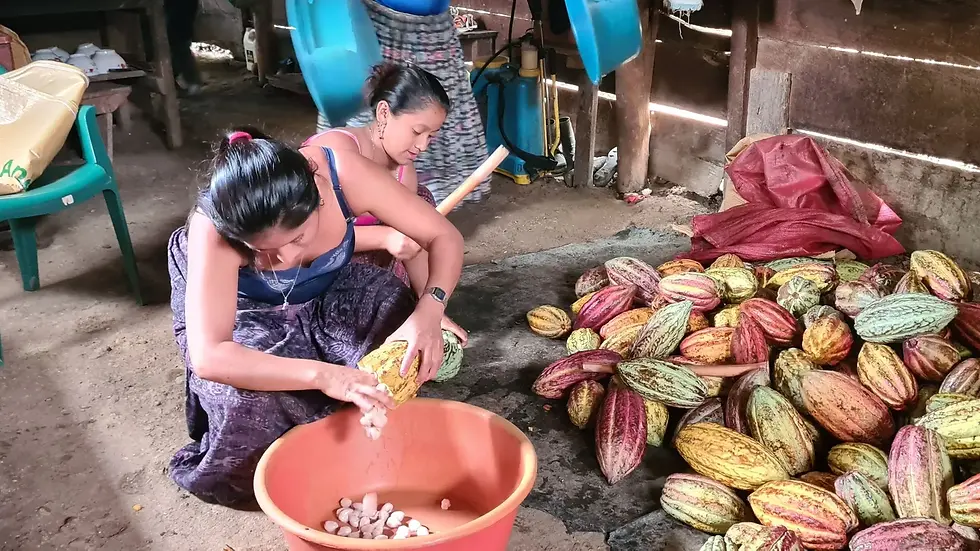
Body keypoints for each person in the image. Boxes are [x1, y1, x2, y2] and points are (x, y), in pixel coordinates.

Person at [166, 126, 464, 505]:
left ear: (318, 199)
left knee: (396, 316)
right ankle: (281, 472)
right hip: (246, 309)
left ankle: (359, 438)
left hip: (321, 288)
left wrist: (431, 308)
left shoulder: (344, 177)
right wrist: (325, 375)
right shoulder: (213, 229)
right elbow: (211, 356)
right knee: (246, 397)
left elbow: (444, 237)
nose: (284, 260)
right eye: (260, 252)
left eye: (296, 241)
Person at [304, 63, 445, 291]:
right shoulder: (333, 152)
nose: (422, 146)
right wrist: (383, 236)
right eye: (417, 132)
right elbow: (300, 238)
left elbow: (414, 243)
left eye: (431, 137)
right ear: (383, 112)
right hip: (310, 270)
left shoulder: (403, 171)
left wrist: (430, 304)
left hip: (363, 268)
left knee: (422, 204)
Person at [164, 0, 203, 95]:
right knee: (179, 48)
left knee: (180, 48)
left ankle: (191, 82)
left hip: (179, 16)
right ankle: (184, 81)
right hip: (178, 15)